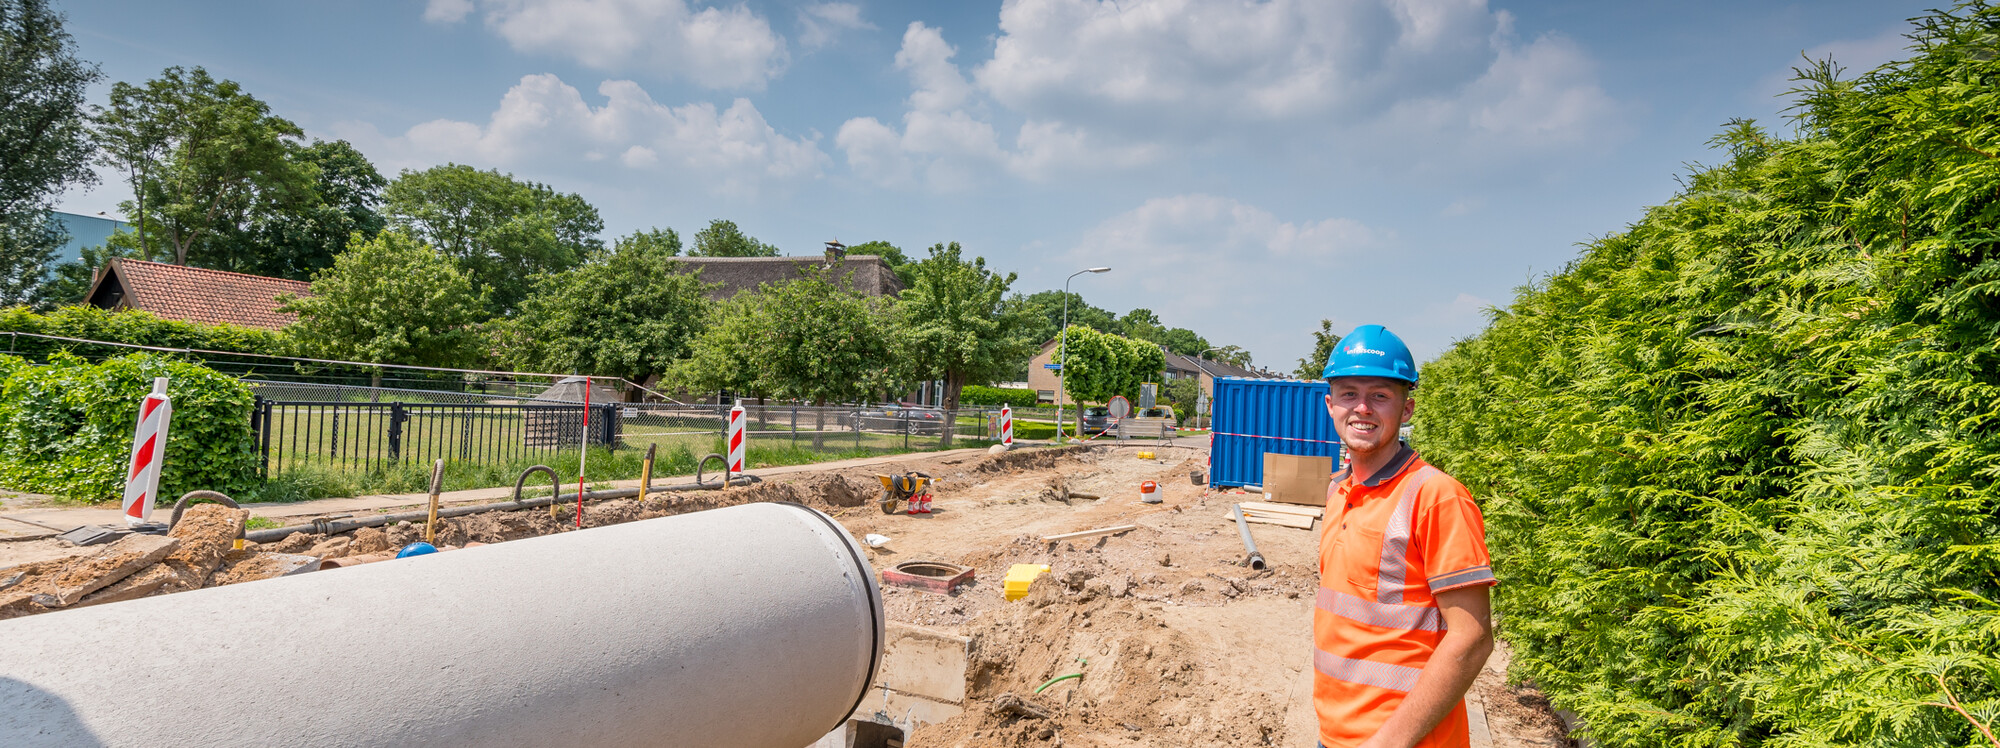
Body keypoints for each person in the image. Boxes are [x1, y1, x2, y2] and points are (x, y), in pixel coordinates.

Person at [1314, 324, 1496, 748]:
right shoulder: (1338, 491)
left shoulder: (1437, 497)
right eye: (1348, 394)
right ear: (1330, 404)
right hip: (1335, 734)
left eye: (1380, 395)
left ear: (1407, 409)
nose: (1362, 408)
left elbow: (1472, 639)